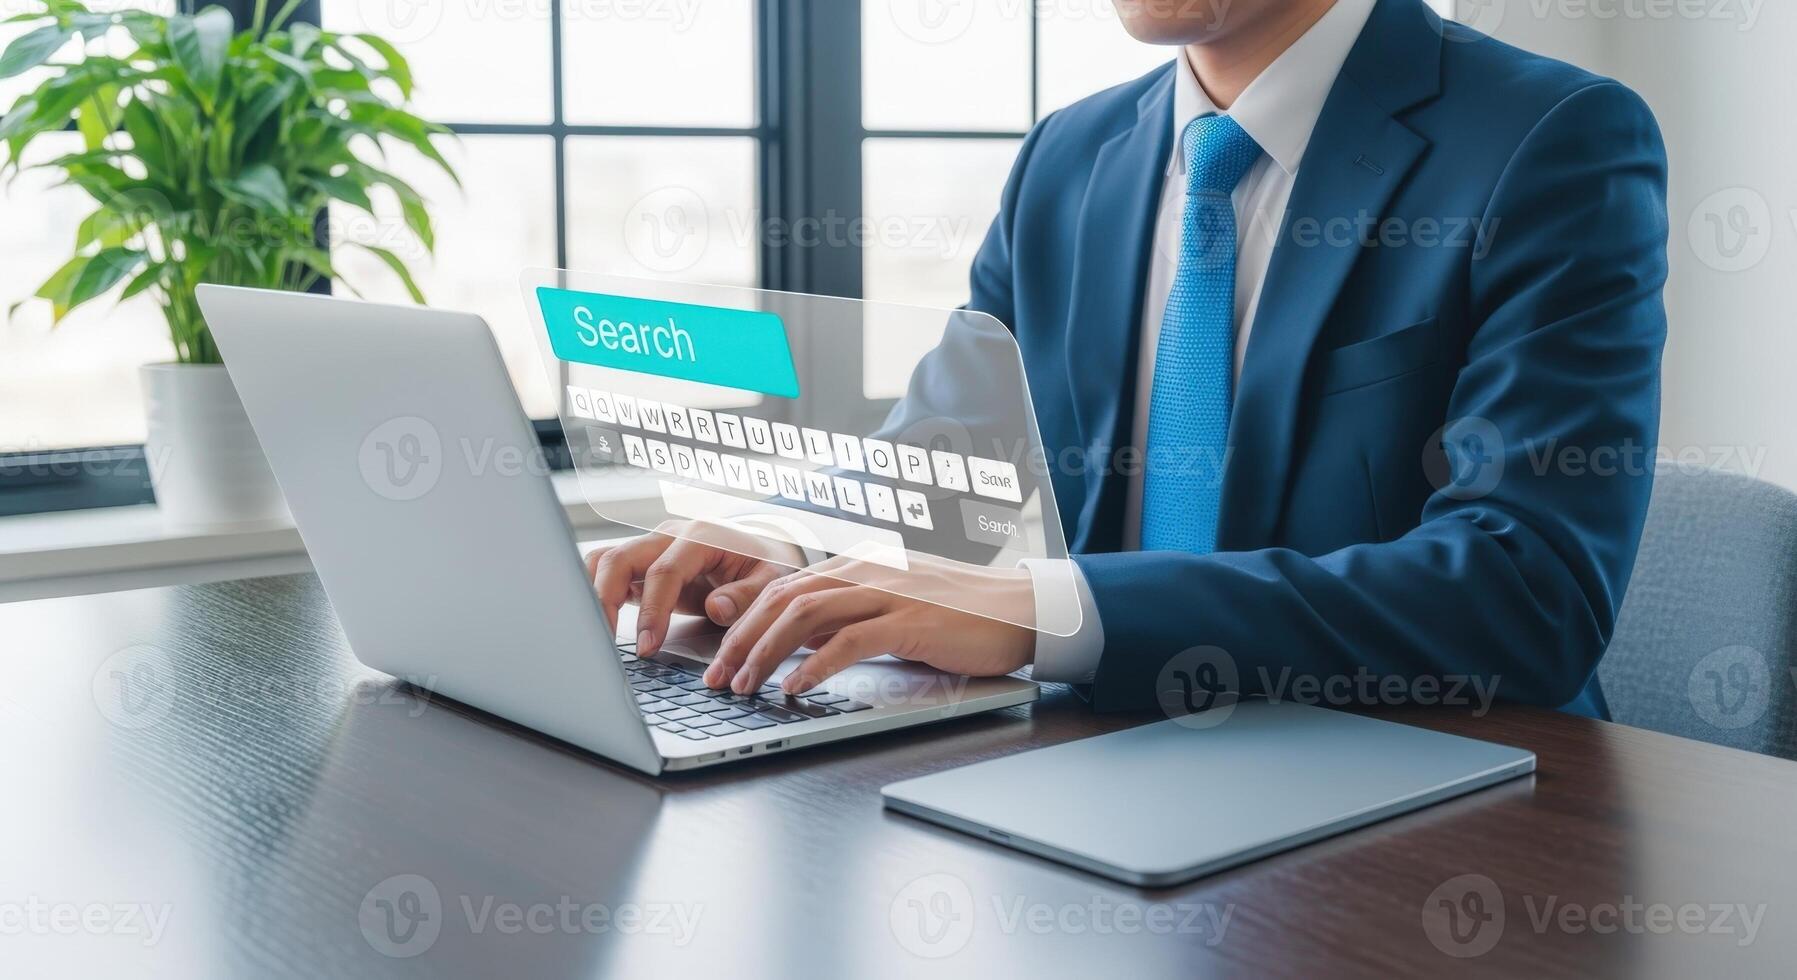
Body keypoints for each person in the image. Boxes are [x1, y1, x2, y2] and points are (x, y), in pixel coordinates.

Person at [585, 0, 1668, 719]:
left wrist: (1046, 608)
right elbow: (951, 452)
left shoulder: (1551, 138)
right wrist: (792, 534)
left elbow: (1530, 592)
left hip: (1441, 809)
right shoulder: (1071, 157)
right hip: (1096, 770)